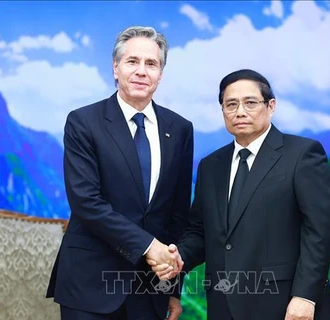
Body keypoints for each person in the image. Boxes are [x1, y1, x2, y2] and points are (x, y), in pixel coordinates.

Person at [150, 69, 330, 320]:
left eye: (250, 102)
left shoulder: (302, 154)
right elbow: (199, 232)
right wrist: (177, 258)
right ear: (223, 111)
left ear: (271, 106)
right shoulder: (210, 166)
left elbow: (320, 231)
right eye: (231, 104)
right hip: (223, 305)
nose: (240, 111)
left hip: (287, 305)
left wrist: (305, 296)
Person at [46, 26, 194, 320]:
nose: (141, 71)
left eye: (151, 64)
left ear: (160, 74)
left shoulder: (179, 129)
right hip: (90, 284)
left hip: (150, 287)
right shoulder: (83, 122)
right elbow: (86, 203)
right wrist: (149, 246)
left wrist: (173, 287)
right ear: (115, 68)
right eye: (132, 61)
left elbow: (177, 213)